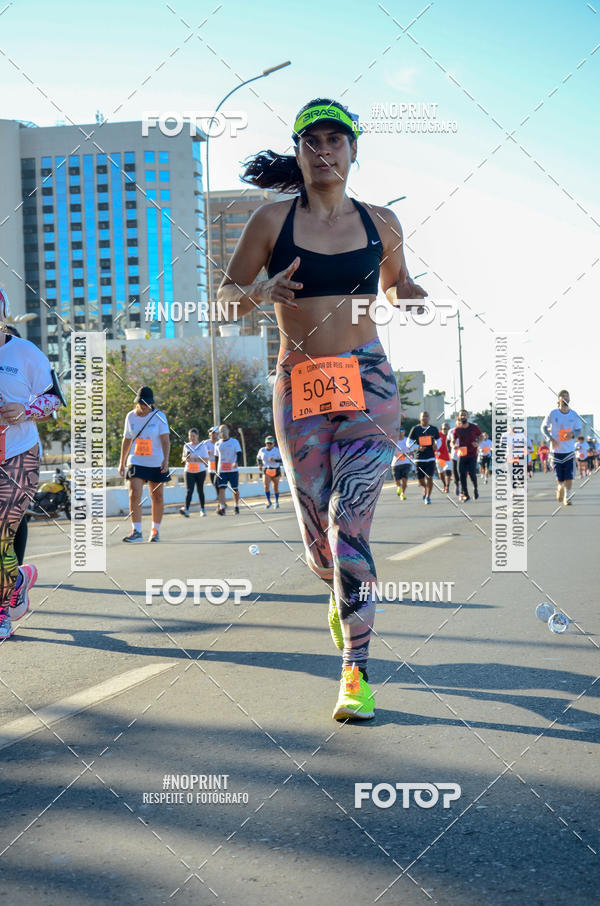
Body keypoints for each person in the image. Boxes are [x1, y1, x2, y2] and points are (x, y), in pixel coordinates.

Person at [217, 97, 426, 720]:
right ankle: (338, 594)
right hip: (299, 382)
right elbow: (225, 300)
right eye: (312, 141)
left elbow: (394, 284)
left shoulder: (382, 221)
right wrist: (260, 290)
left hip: (368, 382)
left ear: (353, 150)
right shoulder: (270, 221)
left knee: (348, 521)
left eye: (336, 140)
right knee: (320, 545)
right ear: (300, 152)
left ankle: (355, 673)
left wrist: (407, 292)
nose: (324, 150)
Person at [0, 288, 62, 638]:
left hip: (19, 453)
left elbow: (53, 399)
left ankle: (1, 614)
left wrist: (25, 409)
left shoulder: (25, 352)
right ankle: (19, 579)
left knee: (1, 536)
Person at [118, 386, 170, 541]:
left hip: (156, 461)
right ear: (137, 402)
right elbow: (127, 440)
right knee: (134, 493)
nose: (144, 406)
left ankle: (155, 531)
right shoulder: (130, 417)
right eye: (141, 403)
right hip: (136, 460)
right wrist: (122, 462)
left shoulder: (159, 416)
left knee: (157, 496)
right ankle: (137, 531)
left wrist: (166, 460)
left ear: (151, 403)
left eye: (147, 404)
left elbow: (165, 441)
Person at [541, 389, 582, 506]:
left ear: (569, 399)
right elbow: (543, 428)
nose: (565, 398)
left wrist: (572, 434)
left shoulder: (574, 414)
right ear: (558, 399)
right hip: (555, 452)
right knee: (560, 478)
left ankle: (567, 496)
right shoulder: (553, 413)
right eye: (563, 396)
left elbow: (578, 430)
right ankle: (560, 488)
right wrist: (550, 438)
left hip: (569, 451)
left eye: (567, 396)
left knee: (569, 476)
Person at [407, 411, 440, 505]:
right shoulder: (415, 429)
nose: (425, 418)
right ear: (420, 418)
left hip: (430, 457)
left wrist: (436, 446)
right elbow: (408, 443)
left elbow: (439, 440)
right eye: (423, 416)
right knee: (420, 480)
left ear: (429, 418)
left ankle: (428, 497)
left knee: (429, 477)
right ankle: (425, 488)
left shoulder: (433, 429)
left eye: (426, 416)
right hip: (419, 458)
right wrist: (418, 447)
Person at [452, 409, 482, 501]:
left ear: (467, 416)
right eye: (461, 415)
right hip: (461, 455)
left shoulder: (474, 427)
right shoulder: (457, 429)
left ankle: (475, 488)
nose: (463, 416)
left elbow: (481, 436)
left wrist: (478, 443)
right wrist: (454, 446)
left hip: (472, 455)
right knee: (462, 475)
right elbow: (453, 441)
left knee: (472, 474)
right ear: (459, 417)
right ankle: (466, 494)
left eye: (464, 415)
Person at [180, 428, 208, 517]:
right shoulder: (186, 446)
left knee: (200, 490)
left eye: (193, 436)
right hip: (189, 471)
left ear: (197, 436)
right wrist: (186, 459)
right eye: (190, 436)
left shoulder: (202, 446)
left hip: (200, 471)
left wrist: (195, 459)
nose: (192, 438)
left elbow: (206, 459)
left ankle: (202, 509)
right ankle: (186, 509)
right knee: (189, 490)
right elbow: (183, 457)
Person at [215, 424, 242, 516]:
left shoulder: (234, 442)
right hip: (222, 470)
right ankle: (222, 508)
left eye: (224, 431)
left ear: (228, 431)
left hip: (233, 469)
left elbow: (239, 453)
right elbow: (216, 458)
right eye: (221, 431)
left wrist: (236, 462)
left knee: (235, 489)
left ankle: (236, 505)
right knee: (221, 488)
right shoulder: (217, 443)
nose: (223, 433)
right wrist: (216, 470)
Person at [257, 435, 283, 508]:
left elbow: (282, 459)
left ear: (273, 444)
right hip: (267, 469)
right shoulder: (262, 450)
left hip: (275, 469)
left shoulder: (277, 450)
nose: (269, 445)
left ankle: (276, 501)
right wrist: (259, 464)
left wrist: (275, 460)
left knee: (275, 487)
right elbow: (258, 458)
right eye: (267, 443)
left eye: (270, 443)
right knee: (266, 486)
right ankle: (269, 501)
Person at [392, 427, 412, 500]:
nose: (400, 432)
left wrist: (407, 454)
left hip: (406, 463)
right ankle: (398, 487)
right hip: (395, 464)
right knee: (397, 481)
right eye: (398, 431)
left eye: (401, 431)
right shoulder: (394, 441)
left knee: (404, 480)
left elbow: (411, 450)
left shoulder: (408, 440)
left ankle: (403, 493)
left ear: (404, 432)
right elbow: (391, 451)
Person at [436, 422, 452, 494]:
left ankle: (447, 486)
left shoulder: (451, 435)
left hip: (448, 457)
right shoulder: (438, 434)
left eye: (447, 429)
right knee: (441, 473)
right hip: (439, 457)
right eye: (444, 429)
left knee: (448, 472)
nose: (445, 430)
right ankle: (445, 485)